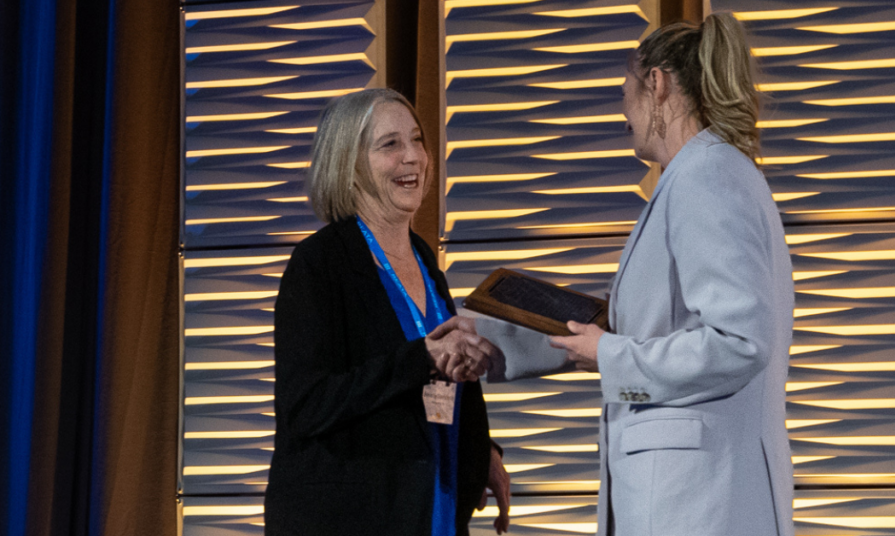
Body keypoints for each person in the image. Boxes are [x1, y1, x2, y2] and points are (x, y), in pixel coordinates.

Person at [549, 13, 795, 536]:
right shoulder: (710, 175)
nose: (622, 113)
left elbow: (738, 341)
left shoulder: (707, 176)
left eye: (625, 93)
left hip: (695, 501)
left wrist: (610, 355)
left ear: (657, 84)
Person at [264, 88, 511, 536]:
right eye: (390, 145)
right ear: (349, 163)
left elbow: (442, 380)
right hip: (351, 516)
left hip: (431, 501)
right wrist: (423, 358)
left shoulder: (422, 259)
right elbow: (306, 406)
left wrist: (481, 452)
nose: (413, 156)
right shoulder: (319, 264)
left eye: (417, 140)